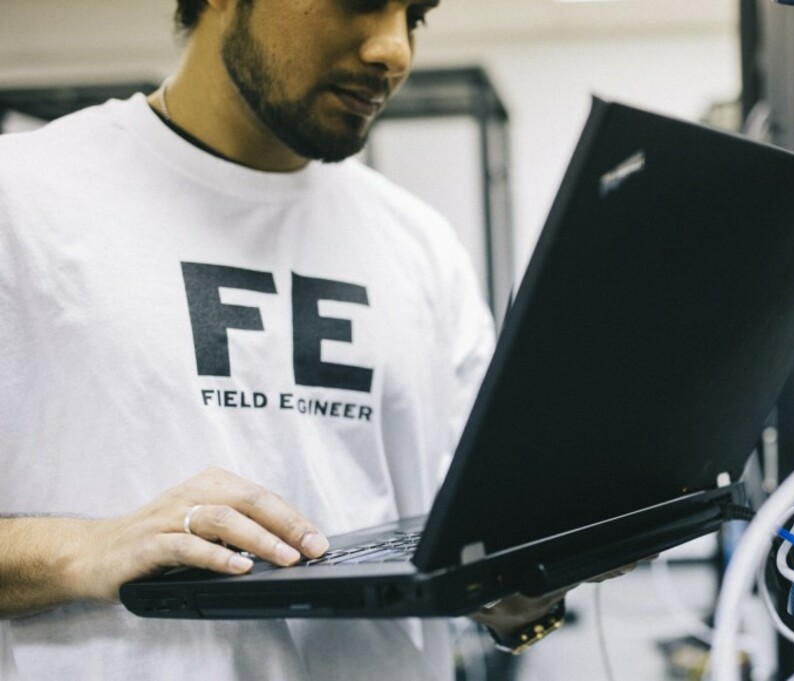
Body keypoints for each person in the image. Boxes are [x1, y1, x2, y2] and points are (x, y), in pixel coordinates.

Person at [0, 0, 576, 677]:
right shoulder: (22, 197)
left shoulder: (420, 245)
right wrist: (84, 549)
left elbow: (480, 554)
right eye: (359, 3)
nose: (394, 51)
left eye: (414, 15)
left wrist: (528, 588)